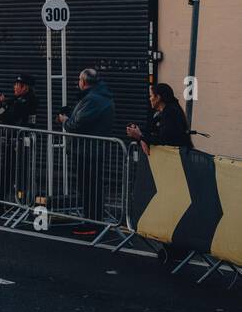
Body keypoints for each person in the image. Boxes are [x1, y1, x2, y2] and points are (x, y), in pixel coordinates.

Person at [58, 68, 116, 232]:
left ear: (83, 82)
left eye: (79, 80)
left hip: (87, 150)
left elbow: (76, 125)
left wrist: (64, 120)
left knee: (89, 188)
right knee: (91, 187)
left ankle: (92, 223)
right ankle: (92, 220)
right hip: (90, 149)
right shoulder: (99, 96)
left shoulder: (92, 99)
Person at [0, 73, 41, 215]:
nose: (15, 87)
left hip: (19, 143)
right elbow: (4, 114)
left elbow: (7, 117)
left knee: (15, 173)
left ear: (25, 87)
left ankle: (22, 203)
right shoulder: (18, 100)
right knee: (7, 172)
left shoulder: (25, 101)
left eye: (18, 85)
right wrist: (2, 104)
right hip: (13, 142)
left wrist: (0, 104)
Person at [126, 83, 192, 155]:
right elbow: (151, 131)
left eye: (151, 96)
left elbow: (163, 138)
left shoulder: (171, 112)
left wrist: (141, 137)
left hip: (177, 157)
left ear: (158, 98)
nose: (150, 99)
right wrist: (139, 135)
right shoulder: (158, 113)